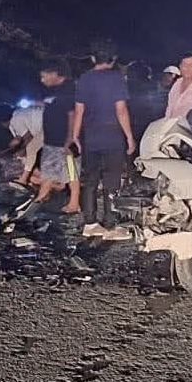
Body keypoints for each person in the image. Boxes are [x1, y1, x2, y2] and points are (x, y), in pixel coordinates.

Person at [73, 42, 135, 240]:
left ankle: (90, 224)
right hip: (112, 135)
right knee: (111, 181)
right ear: (114, 59)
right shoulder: (116, 78)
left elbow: (79, 109)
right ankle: (110, 225)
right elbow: (121, 109)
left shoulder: (84, 78)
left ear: (92, 58)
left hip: (91, 135)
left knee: (90, 181)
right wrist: (129, 136)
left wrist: (75, 134)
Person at [35, 59, 81, 212]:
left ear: (54, 73)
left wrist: (70, 138)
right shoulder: (54, 90)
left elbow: (72, 114)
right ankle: (42, 196)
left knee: (71, 170)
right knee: (48, 169)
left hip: (64, 141)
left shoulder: (68, 90)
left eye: (44, 76)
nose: (42, 80)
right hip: (51, 140)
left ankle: (74, 202)